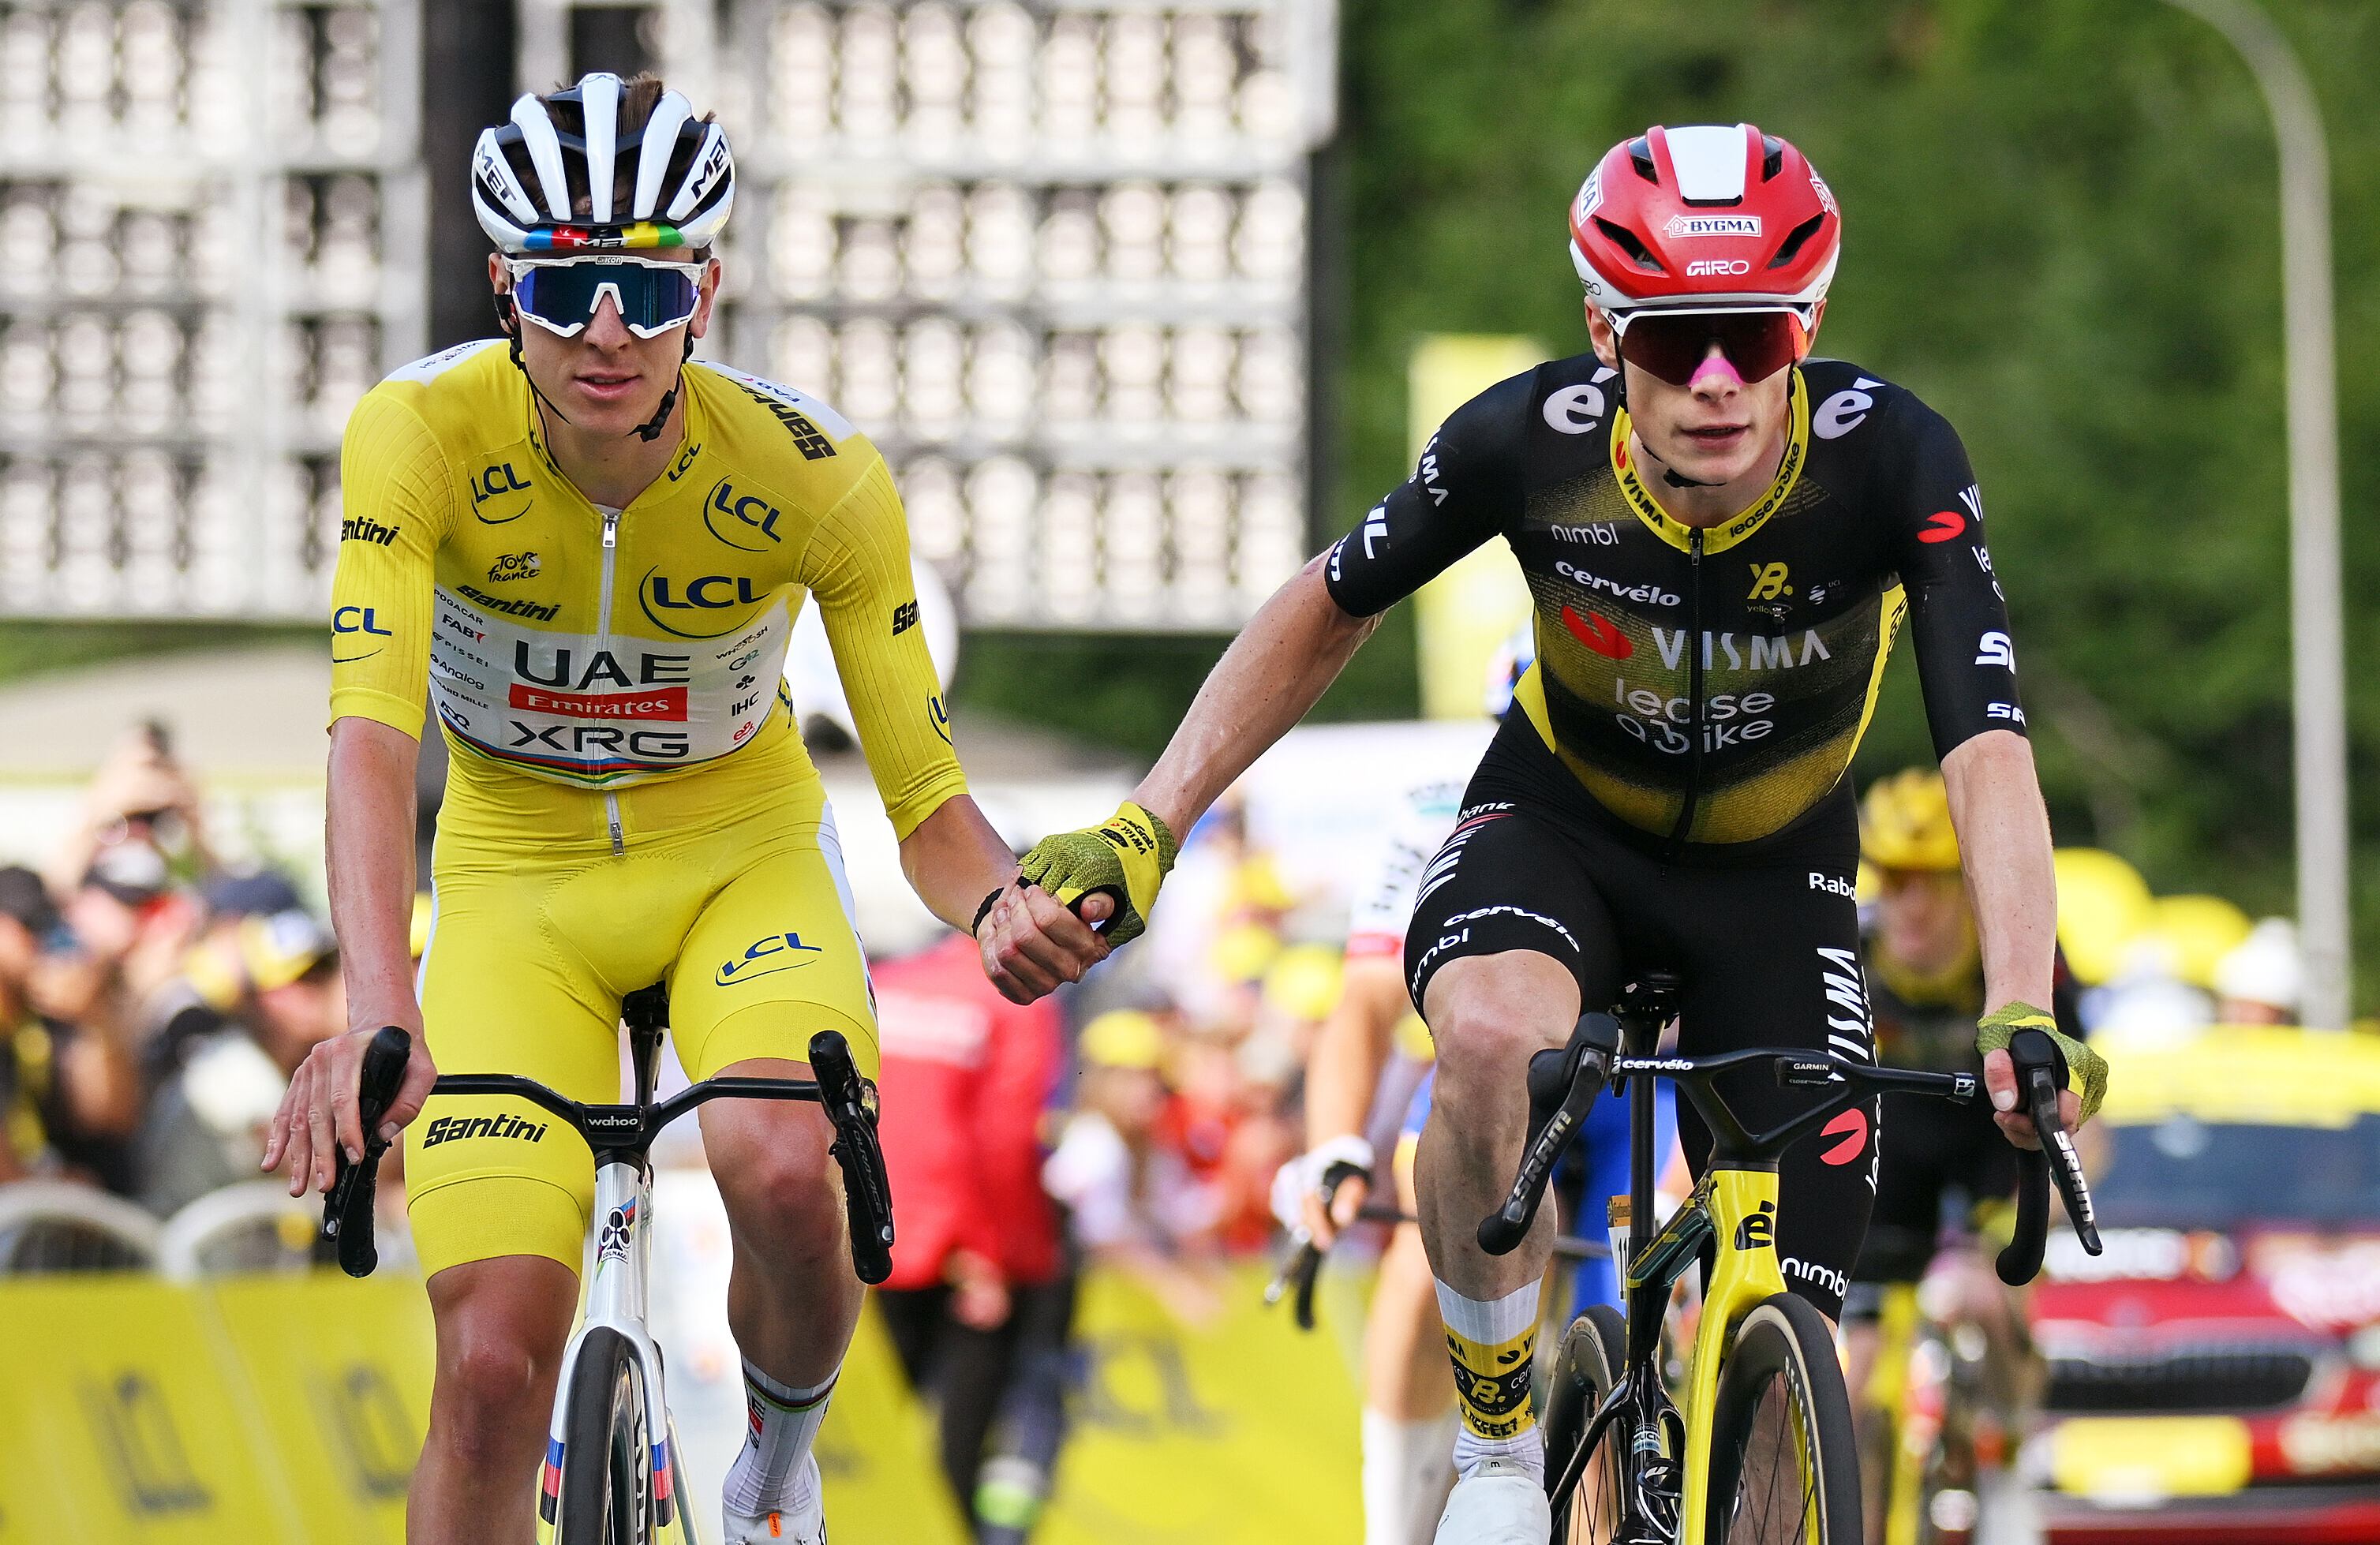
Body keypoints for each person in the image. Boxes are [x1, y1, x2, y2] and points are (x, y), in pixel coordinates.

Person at [1002, 122, 2105, 1543]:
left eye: (1759, 337)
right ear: (1603, 331)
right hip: (1561, 829)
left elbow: (1985, 744)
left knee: (1794, 1364)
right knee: (1485, 1034)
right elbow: (1330, 603)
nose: (1718, 380)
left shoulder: (1892, 457)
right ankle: (1493, 1449)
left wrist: (2021, 994)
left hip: (1778, 878)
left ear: (1811, 322)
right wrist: (1150, 822)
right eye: (1674, 340)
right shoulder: (1529, 441)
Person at [260, 72, 1102, 1545]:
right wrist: (376, 1017)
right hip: (515, 884)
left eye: (647, 292)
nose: (607, 333)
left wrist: (999, 902)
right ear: (505, 289)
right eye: (565, 288)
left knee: (781, 1164)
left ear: (704, 292)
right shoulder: (417, 429)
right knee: (490, 1365)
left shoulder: (816, 473)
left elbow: (925, 798)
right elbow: (372, 739)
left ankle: (776, 1469)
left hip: (738, 863)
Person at [1270, 639, 1677, 1545]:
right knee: (1427, 1253)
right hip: (1503, 1080)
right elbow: (1365, 1000)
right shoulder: (1439, 810)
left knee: (1643, 1309)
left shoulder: (1672, 796)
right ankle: (1395, 1525)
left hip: (1636, 1091)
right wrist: (1334, 1143)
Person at [1839, 770, 2082, 1539]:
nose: (1910, 904)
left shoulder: (2021, 956)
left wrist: (2011, 1229)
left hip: (1992, 1149)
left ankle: (2008, 1456)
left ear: (1967, 882)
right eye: (1893, 878)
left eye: (1933, 882)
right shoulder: (1851, 951)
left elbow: (2081, 1110)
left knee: (1991, 1299)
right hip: (1891, 1153)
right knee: (1853, 1375)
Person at [870, 926, 1065, 1535]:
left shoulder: (886, 982)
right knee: (960, 1447)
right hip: (958, 1250)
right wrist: (990, 1256)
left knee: (867, 1444)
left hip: (863, 1238)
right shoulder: (1015, 997)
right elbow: (1005, 1140)